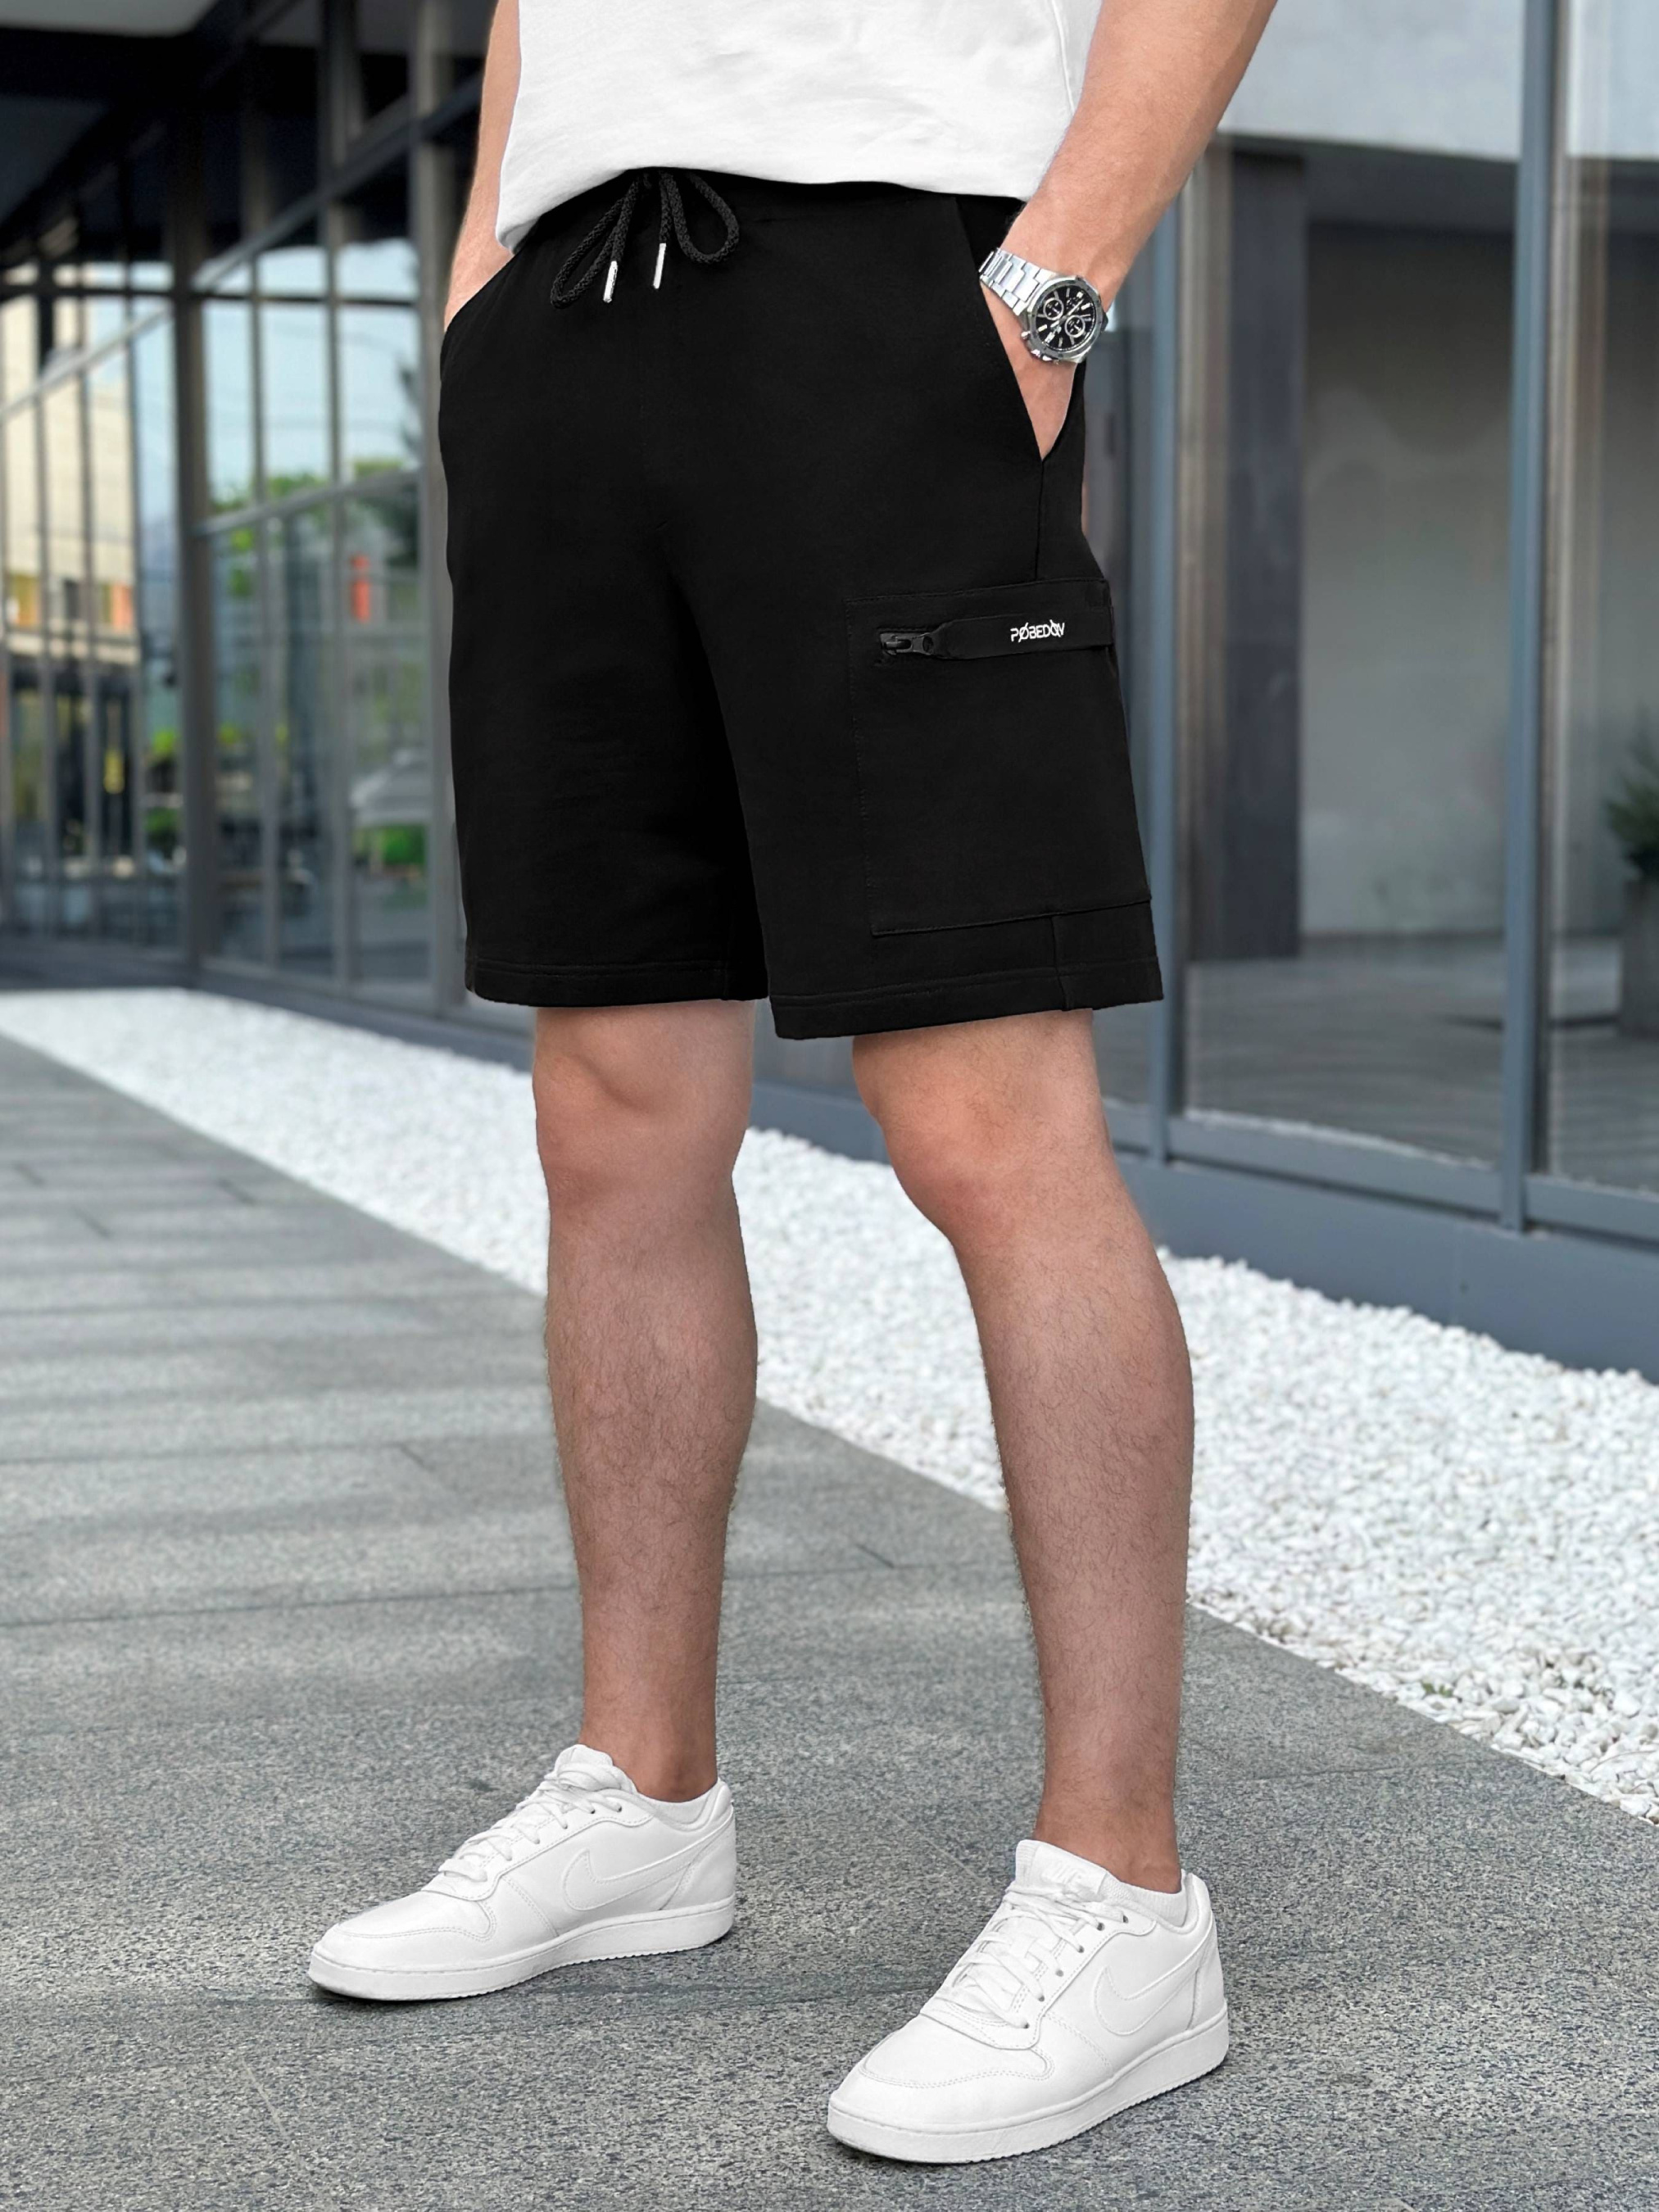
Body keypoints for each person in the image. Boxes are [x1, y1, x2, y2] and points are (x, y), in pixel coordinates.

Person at [309, 0, 1277, 2164]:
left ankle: (1121, 1891)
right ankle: (641, 1797)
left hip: (898, 302)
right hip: (570, 322)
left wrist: (1047, 291)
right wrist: (485, 307)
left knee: (984, 1118)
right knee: (609, 1113)